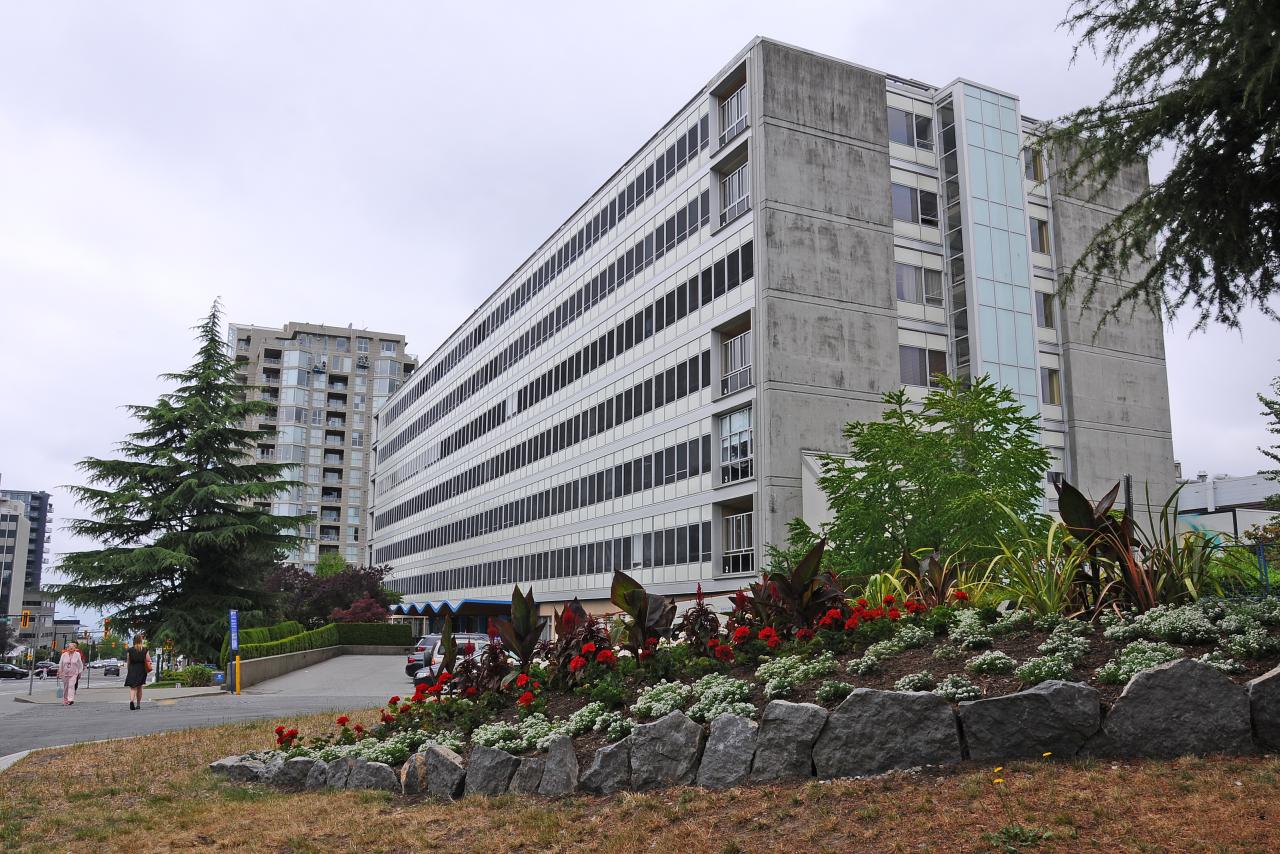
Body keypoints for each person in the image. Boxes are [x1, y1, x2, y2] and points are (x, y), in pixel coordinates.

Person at [124, 635, 150, 710]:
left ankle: (131, 701)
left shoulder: (130, 650)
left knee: (132, 687)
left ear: (134, 641)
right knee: (139, 687)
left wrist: (128, 669)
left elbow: (128, 661)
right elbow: (148, 659)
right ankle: (138, 704)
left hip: (132, 669)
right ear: (141, 640)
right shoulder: (145, 650)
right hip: (141, 669)